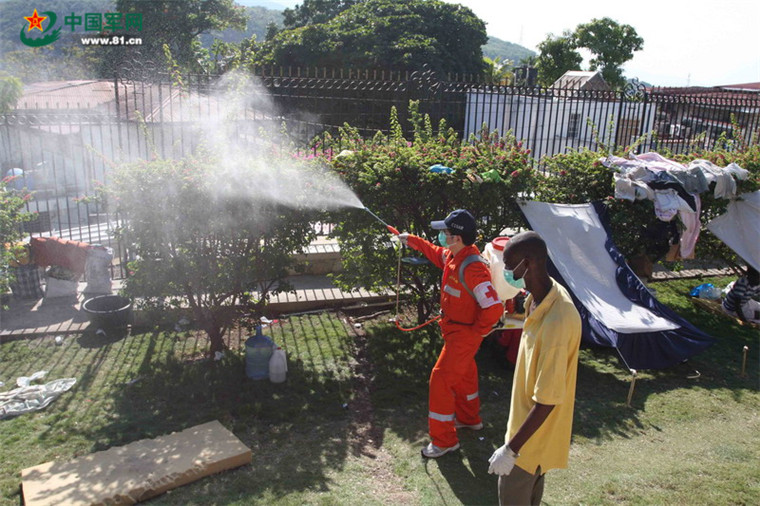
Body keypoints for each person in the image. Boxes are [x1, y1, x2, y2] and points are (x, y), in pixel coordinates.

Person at [399, 209, 504, 458]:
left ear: (456, 237)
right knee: (465, 374)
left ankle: (444, 441)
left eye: (445, 232)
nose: (442, 236)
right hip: (456, 332)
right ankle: (469, 419)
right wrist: (410, 240)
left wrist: (477, 333)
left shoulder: (473, 267)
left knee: (440, 380)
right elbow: (435, 252)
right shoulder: (455, 256)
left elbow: (493, 307)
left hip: (463, 335)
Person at [487, 231, 582, 506]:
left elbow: (547, 399)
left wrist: (510, 450)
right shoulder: (541, 298)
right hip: (526, 437)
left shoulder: (557, 321)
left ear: (527, 263)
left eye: (509, 265)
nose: (506, 272)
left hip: (527, 449)